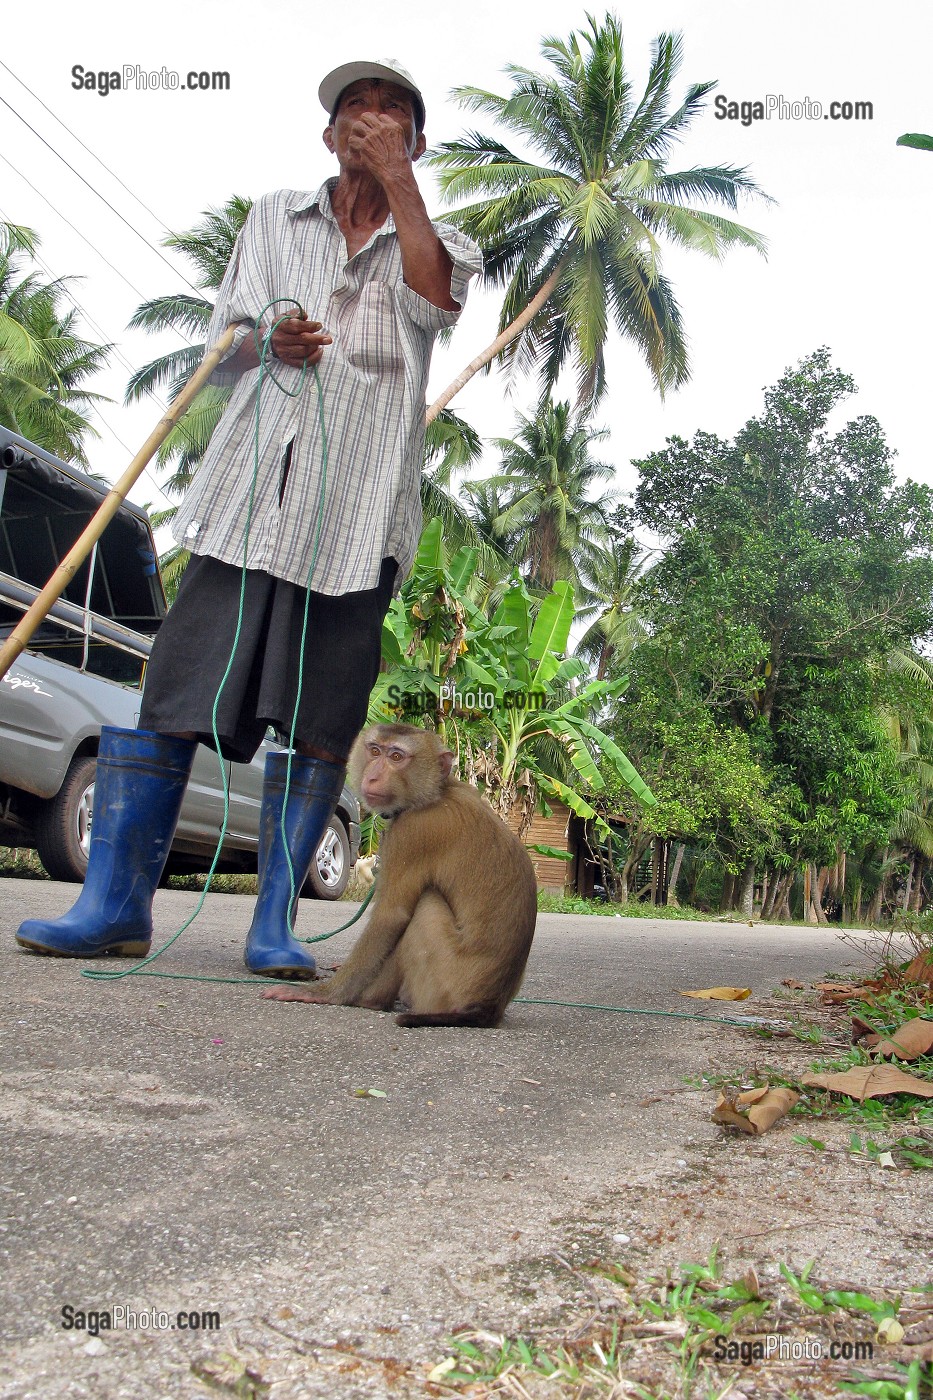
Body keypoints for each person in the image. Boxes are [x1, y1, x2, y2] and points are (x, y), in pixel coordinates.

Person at [16, 59, 482, 978]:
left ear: (417, 144)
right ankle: (114, 905)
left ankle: (273, 923)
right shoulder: (273, 216)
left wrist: (399, 186)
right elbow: (224, 346)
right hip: (244, 506)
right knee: (175, 696)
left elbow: (436, 301)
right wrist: (266, 342)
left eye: (393, 112)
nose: (371, 118)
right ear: (326, 134)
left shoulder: (441, 237)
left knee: (317, 720)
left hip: (356, 525)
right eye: (355, 107)